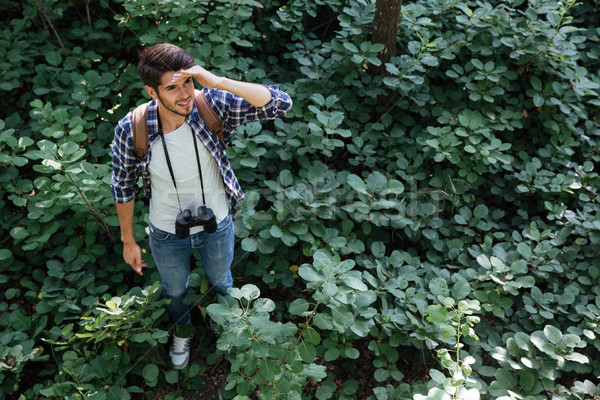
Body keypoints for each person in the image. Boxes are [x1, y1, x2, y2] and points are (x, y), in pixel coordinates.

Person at [110, 43, 292, 370]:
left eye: (188, 82)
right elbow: (123, 184)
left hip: (218, 224)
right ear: (152, 91)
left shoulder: (211, 105)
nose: (184, 94)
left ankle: (227, 325)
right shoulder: (133, 127)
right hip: (166, 232)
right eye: (172, 87)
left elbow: (280, 104)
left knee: (222, 282)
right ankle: (182, 327)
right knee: (174, 289)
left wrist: (218, 81)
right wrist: (128, 239)